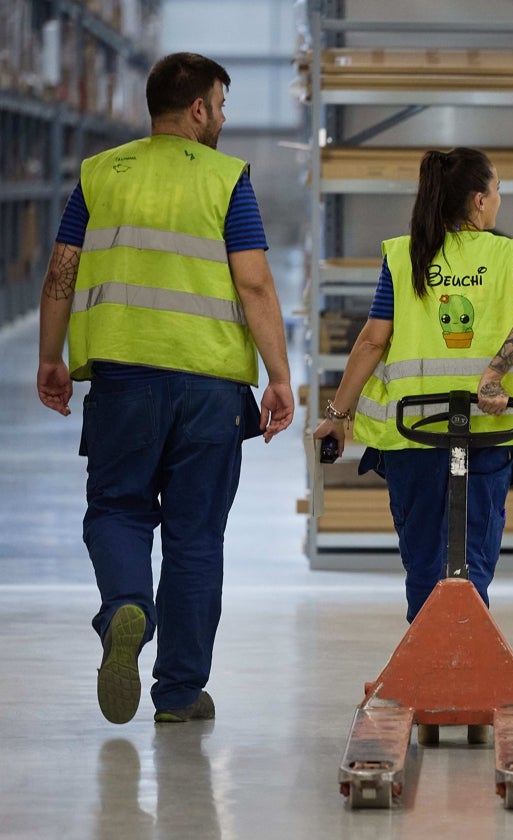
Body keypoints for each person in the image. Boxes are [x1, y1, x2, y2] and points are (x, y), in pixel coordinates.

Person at [36, 52, 294, 725]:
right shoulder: (225, 178)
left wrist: (51, 357)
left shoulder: (101, 174)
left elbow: (61, 271)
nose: (225, 119)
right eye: (222, 105)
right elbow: (256, 282)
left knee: (118, 511)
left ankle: (127, 604)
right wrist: (280, 377)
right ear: (200, 110)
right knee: (195, 538)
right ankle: (178, 694)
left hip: (123, 380)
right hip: (210, 389)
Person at [312, 147, 513, 622]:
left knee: (424, 569)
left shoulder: (405, 256)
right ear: (478, 201)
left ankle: (427, 675)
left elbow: (372, 340)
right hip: (486, 435)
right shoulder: (511, 255)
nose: (498, 201)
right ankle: (463, 670)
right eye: (497, 191)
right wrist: (492, 377)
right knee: (473, 568)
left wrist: (337, 417)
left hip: (414, 434)